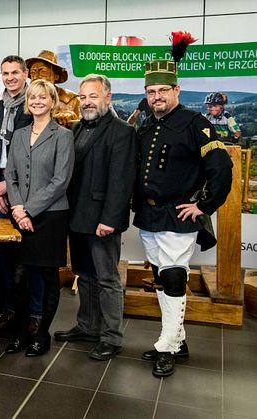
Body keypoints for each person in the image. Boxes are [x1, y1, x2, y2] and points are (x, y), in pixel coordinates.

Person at [135, 44, 232, 377]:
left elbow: (221, 167)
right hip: (148, 215)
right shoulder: (146, 124)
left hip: (179, 214)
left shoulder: (196, 122)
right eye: (152, 91)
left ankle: (166, 347)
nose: (157, 96)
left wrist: (203, 205)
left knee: (174, 275)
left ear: (176, 90)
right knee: (164, 278)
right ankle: (179, 339)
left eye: (164, 90)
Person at [53, 74, 136, 361]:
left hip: (102, 220)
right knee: (85, 275)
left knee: (107, 278)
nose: (87, 102)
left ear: (107, 98)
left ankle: (112, 337)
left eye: (93, 96)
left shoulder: (122, 131)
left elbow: (121, 181)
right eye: (83, 96)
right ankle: (88, 326)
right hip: (76, 216)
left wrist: (110, 220)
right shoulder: (74, 129)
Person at [5, 79, 74, 357]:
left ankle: (42, 334)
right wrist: (18, 209)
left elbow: (61, 181)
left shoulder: (63, 136)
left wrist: (28, 210)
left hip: (51, 217)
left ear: (52, 101)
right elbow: (10, 176)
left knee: (46, 277)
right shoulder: (19, 135)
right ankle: (23, 330)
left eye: (43, 97)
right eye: (33, 97)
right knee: (19, 276)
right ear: (27, 101)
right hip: (20, 214)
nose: (37, 102)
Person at [0, 56, 33, 329]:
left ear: (25, 74)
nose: (10, 77)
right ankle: (4, 304)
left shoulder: (32, 107)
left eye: (15, 72)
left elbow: (29, 155)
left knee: (23, 250)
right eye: (5, 73)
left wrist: (7, 186)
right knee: (1, 252)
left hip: (22, 186)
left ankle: (25, 309)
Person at [26, 50, 81, 128]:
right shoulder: (27, 100)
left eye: (43, 72)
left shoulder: (72, 100)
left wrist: (72, 116)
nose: (37, 77)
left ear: (56, 76)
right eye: (33, 73)